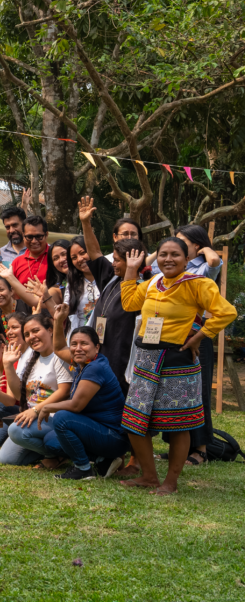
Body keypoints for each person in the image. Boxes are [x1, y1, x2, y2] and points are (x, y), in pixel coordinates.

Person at [119, 243, 236, 495]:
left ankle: (170, 482)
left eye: (175, 255)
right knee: (135, 420)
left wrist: (199, 336)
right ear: (157, 258)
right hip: (146, 358)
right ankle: (149, 476)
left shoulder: (198, 283)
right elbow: (129, 303)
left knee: (179, 423)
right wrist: (130, 271)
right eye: (163, 254)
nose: (168, 259)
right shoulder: (152, 283)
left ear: (187, 259)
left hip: (177, 360)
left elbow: (226, 312)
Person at [42, 318, 130, 480]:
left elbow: (75, 406)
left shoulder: (95, 368)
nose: (78, 348)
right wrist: (58, 319)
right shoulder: (85, 362)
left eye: (84, 344)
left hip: (114, 437)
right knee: (51, 441)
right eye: (74, 344)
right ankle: (102, 460)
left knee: (61, 418)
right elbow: (60, 347)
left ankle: (83, 469)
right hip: (101, 432)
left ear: (97, 347)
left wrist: (46, 407)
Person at [78, 197, 146, 396]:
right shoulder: (110, 276)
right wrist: (85, 222)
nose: (112, 263)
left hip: (125, 354)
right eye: (113, 260)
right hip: (102, 350)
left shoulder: (145, 285)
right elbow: (95, 252)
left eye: (117, 260)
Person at [0, 313, 75, 467]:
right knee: (6, 459)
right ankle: (50, 453)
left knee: (15, 431)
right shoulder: (32, 358)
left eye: (36, 331)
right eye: (27, 334)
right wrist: (7, 366)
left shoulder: (59, 356)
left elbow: (65, 391)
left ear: (50, 330)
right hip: (33, 419)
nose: (31, 337)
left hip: (54, 417)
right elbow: (20, 395)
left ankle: (57, 454)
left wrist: (36, 410)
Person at [61, 236, 99, 332]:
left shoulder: (108, 277)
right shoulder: (72, 282)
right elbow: (64, 311)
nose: (79, 259)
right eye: (74, 258)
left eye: (83, 253)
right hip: (80, 336)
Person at [11, 215, 50, 284]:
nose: (34, 241)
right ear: (23, 236)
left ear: (46, 235)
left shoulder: (55, 257)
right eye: (29, 237)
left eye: (38, 236)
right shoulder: (16, 263)